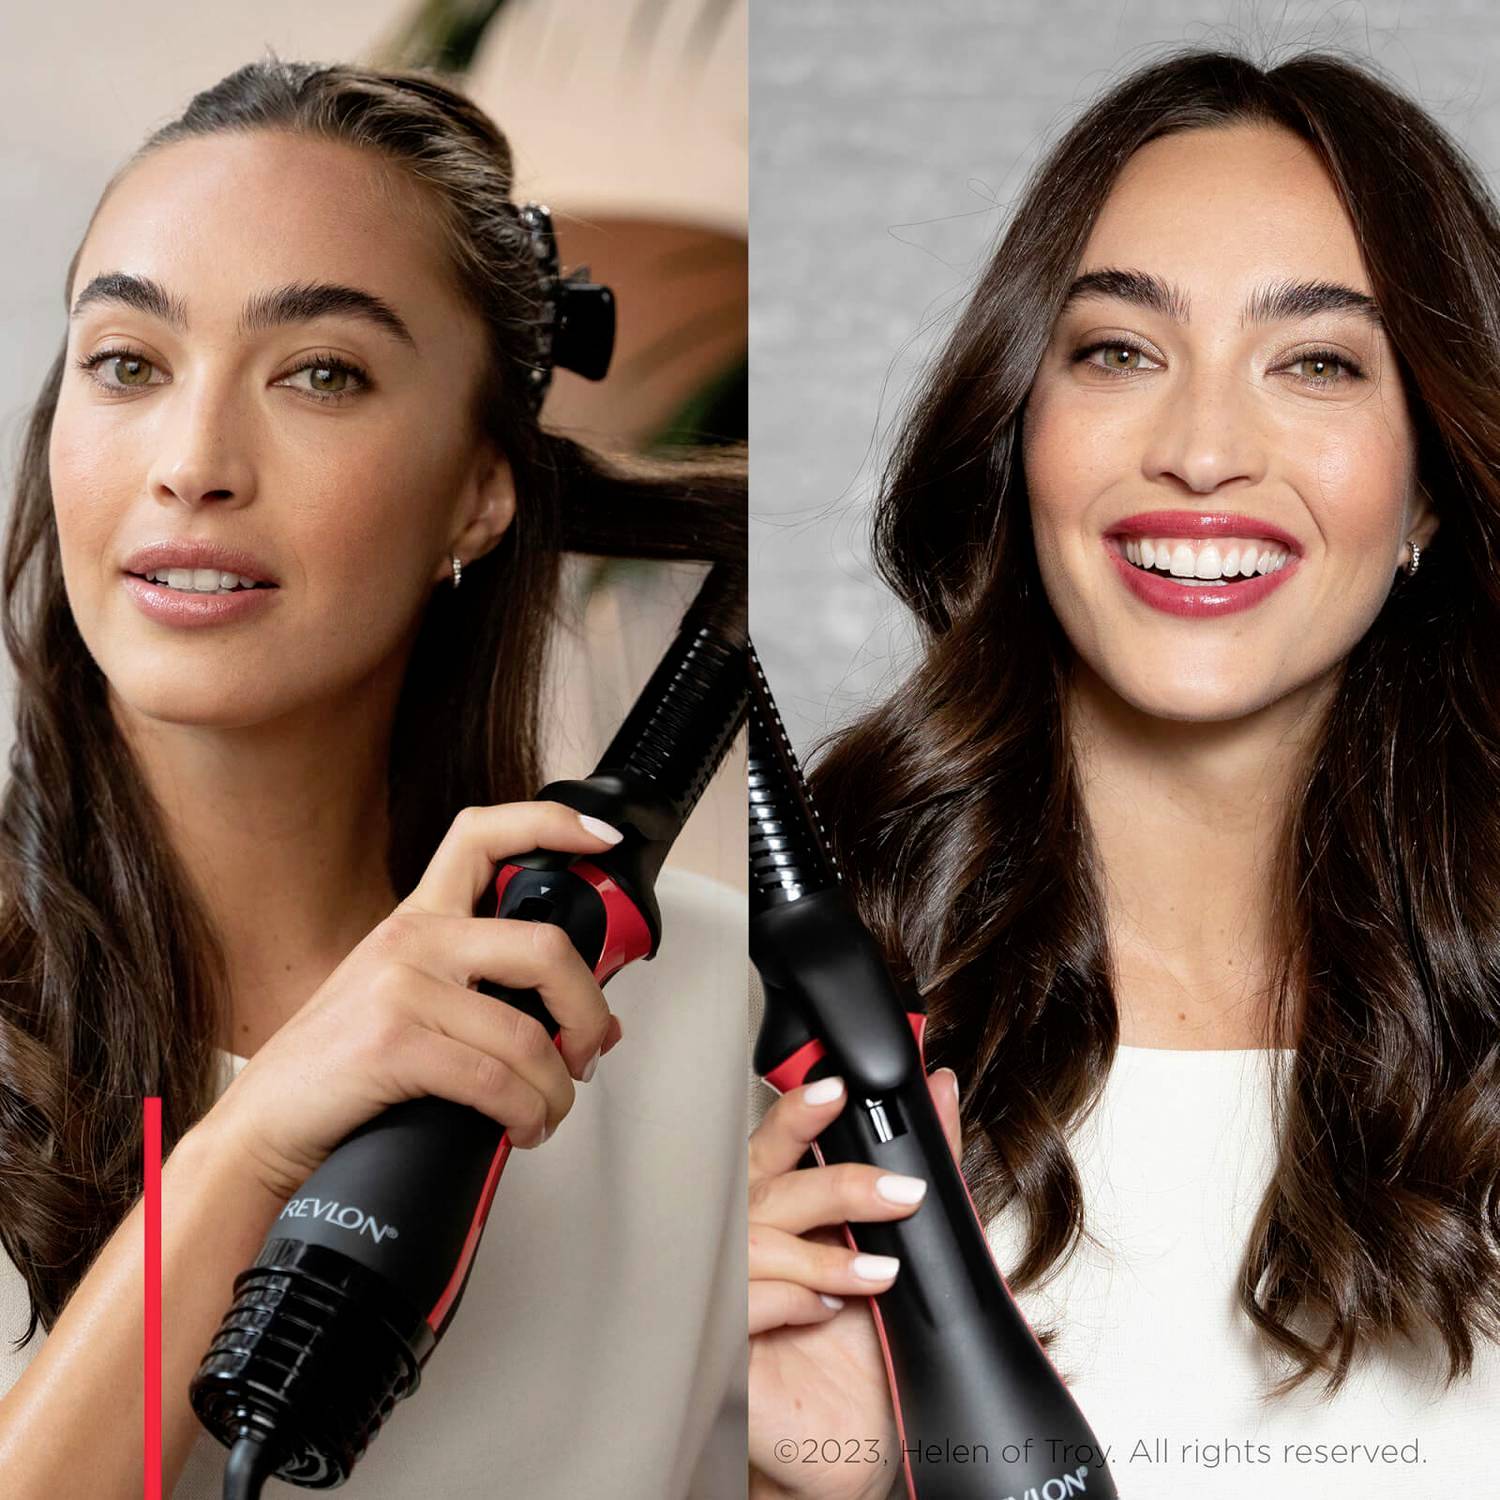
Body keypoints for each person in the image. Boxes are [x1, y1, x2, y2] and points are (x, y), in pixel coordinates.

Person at [748, 46, 1500, 1500]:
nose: (1203, 451)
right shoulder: (788, 995)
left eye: (1318, 362)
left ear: (1426, 492)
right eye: (1118, 352)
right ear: (1019, 430)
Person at [0, 54, 746, 1498]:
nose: (194, 463)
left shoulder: (712, 1014)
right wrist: (250, 1145)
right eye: (129, 363)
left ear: (476, 492)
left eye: (322, 374)